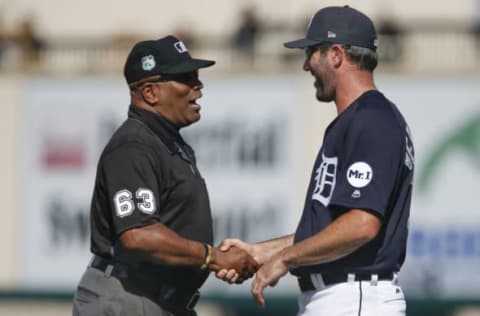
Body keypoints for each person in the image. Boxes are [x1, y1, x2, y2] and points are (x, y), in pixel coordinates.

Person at [217, 6, 414, 316]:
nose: (306, 65)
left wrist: (286, 259)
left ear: (335, 54)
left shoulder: (372, 119)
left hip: (355, 296)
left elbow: (361, 225)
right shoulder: (357, 119)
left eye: (311, 52)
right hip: (342, 296)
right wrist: (261, 252)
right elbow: (330, 229)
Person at [72, 35, 258, 316]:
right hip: (129, 298)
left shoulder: (166, 142)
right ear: (150, 93)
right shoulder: (133, 146)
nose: (198, 87)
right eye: (186, 78)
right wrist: (212, 257)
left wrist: (215, 259)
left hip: (162, 301)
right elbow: (139, 235)